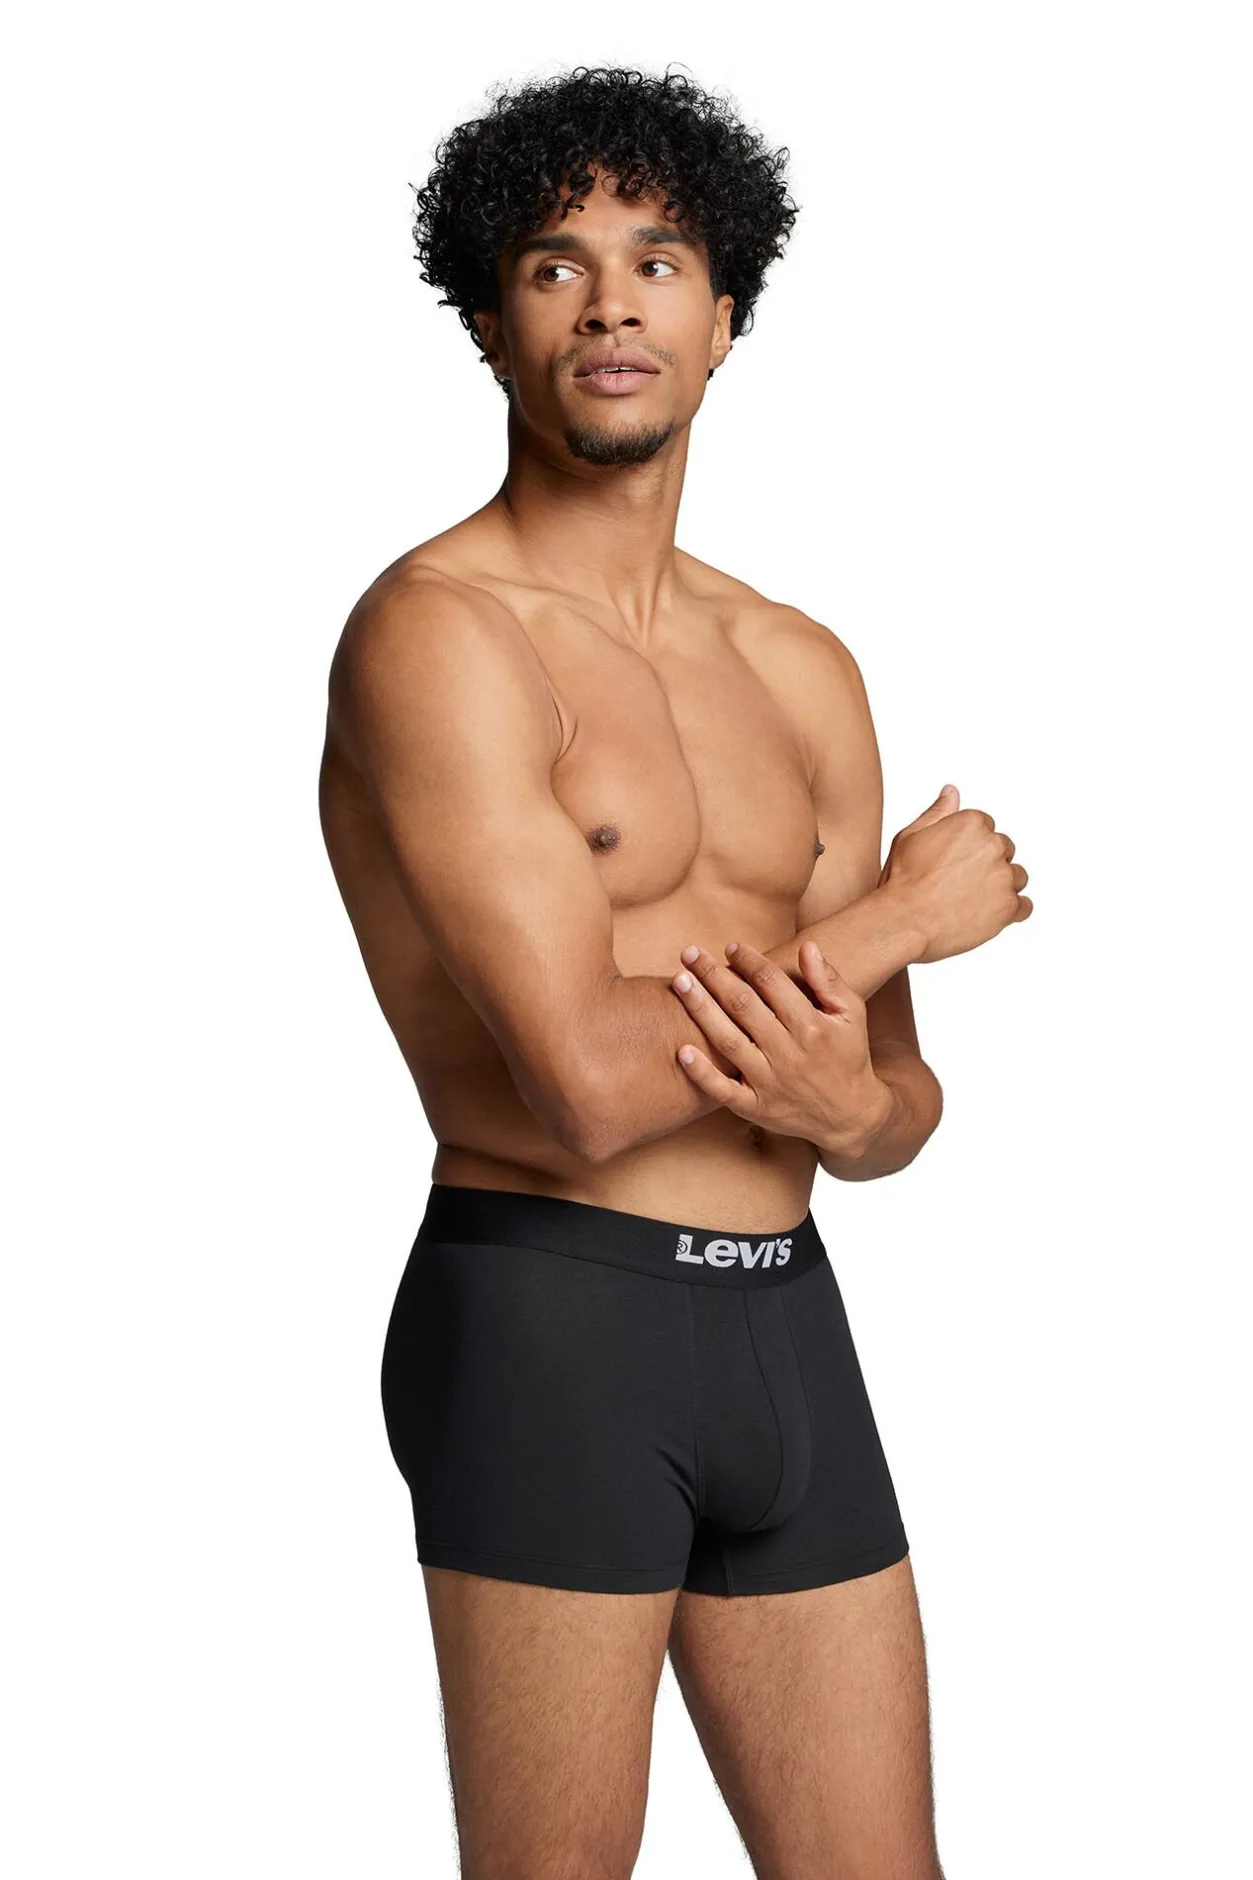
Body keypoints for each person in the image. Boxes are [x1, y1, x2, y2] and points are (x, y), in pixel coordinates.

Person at [318, 63, 1030, 1880]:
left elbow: (896, 1109)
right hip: (553, 1321)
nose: (612, 304)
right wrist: (892, 922)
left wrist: (851, 1108)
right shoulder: (439, 636)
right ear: (491, 325)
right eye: (555, 266)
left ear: (725, 323)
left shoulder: (799, 664)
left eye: (659, 262)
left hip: (789, 1321)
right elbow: (585, 1082)